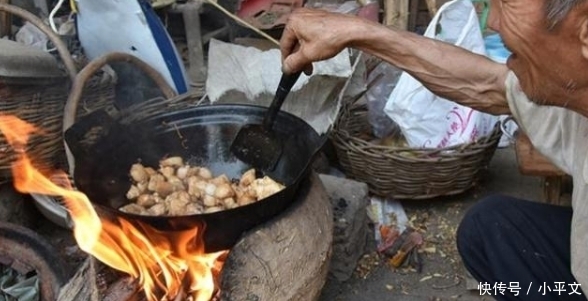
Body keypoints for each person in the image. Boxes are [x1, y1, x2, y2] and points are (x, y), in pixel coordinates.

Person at [279, 1, 588, 300]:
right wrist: (357, 32)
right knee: (489, 227)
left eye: (507, 3)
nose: (491, 21)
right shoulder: (574, 95)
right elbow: (489, 85)